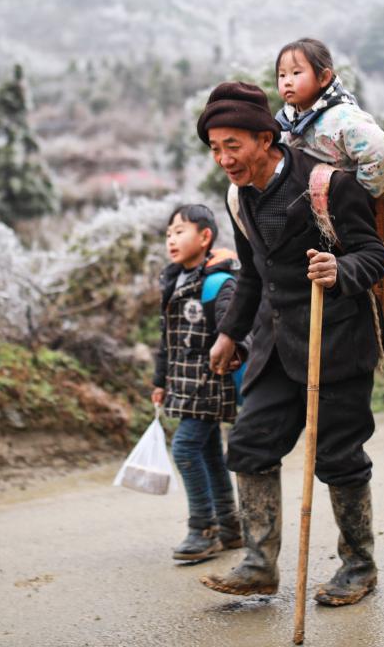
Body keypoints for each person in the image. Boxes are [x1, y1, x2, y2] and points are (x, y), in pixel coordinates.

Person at [194, 80, 384, 606]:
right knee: (251, 444)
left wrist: (340, 266)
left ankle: (359, 566)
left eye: (232, 146)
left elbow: (375, 255)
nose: (223, 159)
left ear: (265, 138)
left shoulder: (327, 184)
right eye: (215, 149)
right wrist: (229, 333)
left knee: (338, 456)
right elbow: (254, 274)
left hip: (336, 341)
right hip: (275, 346)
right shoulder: (239, 197)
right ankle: (259, 565)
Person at [150, 204, 247, 561]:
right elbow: (168, 338)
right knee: (206, 452)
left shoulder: (219, 282)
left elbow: (234, 325)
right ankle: (229, 524)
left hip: (210, 383)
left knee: (185, 449)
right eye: (168, 234)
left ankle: (202, 528)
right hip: (183, 384)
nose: (171, 240)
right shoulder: (174, 280)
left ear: (205, 237)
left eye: (180, 232)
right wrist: (160, 380)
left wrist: (233, 346)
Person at [275, 37, 384, 198]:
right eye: (282, 75)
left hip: (376, 210)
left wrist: (358, 197)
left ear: (323, 78)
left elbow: (383, 152)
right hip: (330, 211)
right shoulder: (287, 122)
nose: (287, 81)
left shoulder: (340, 118)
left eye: (296, 73)